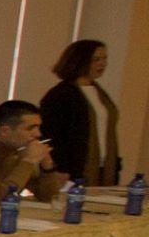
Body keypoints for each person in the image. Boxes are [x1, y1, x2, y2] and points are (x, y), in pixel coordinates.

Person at [36, 40, 121, 185]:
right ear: (80, 61)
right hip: (72, 168)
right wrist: (59, 166)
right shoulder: (61, 94)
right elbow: (51, 134)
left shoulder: (100, 93)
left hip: (103, 166)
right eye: (96, 59)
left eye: (104, 58)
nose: (102, 64)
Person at [0, 100, 65, 203]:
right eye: (30, 128)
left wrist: (47, 166)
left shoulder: (16, 151)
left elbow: (49, 197)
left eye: (38, 127)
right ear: (4, 131)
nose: (38, 134)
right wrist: (28, 161)